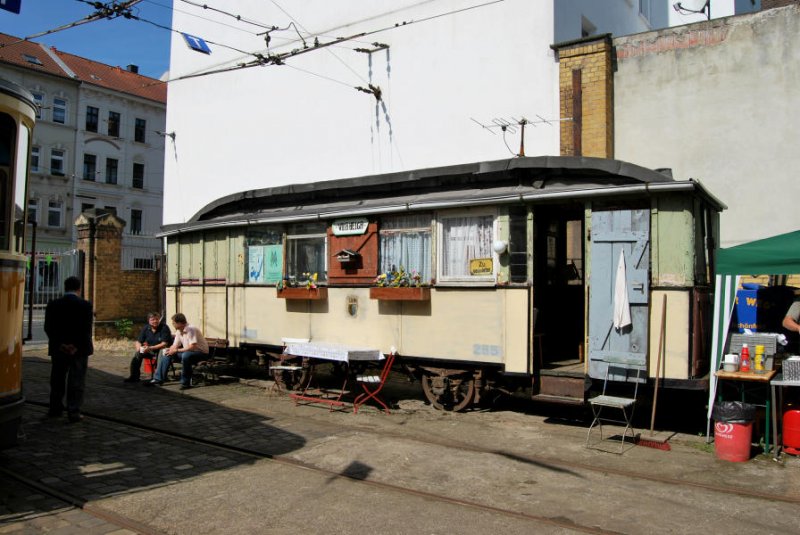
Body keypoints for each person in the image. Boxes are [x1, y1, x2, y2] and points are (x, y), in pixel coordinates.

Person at [44, 276, 94, 423]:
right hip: (79, 350)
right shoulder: (85, 305)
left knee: (57, 379)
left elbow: (49, 327)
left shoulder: (53, 304)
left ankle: (55, 408)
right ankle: (74, 411)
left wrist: (61, 344)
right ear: (79, 288)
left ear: (65, 288)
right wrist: (75, 346)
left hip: (59, 349)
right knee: (76, 380)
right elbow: (85, 329)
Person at [146, 313, 208, 390]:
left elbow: (193, 347)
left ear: (179, 323)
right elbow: (175, 345)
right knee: (167, 353)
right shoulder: (179, 331)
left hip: (200, 353)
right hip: (189, 352)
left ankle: (185, 383)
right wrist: (170, 349)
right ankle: (158, 379)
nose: (172, 324)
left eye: (173, 323)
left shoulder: (191, 329)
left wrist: (177, 350)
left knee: (186, 355)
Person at [123, 312, 172, 383]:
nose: (155, 321)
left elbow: (164, 344)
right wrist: (139, 349)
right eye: (152, 319)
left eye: (157, 319)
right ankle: (134, 377)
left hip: (161, 350)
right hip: (150, 350)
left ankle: (158, 378)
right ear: (148, 320)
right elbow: (138, 341)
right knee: (137, 355)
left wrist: (150, 348)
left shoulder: (164, 327)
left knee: (162, 351)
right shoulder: (146, 328)